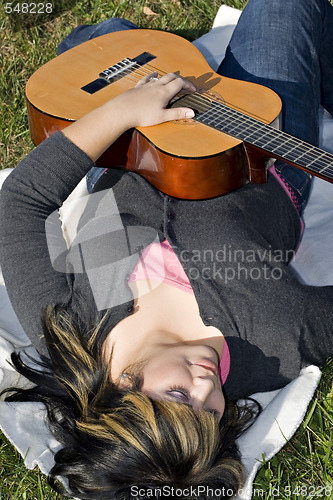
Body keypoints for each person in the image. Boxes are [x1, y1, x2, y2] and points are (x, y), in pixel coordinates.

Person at [0, 0, 333, 498]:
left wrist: (122, 111)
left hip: (133, 147)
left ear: (122, 391)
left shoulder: (72, 331)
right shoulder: (276, 339)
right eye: (211, 415)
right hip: (261, 150)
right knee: (283, 7)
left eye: (179, 395)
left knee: (96, 48)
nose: (207, 388)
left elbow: (21, 205)